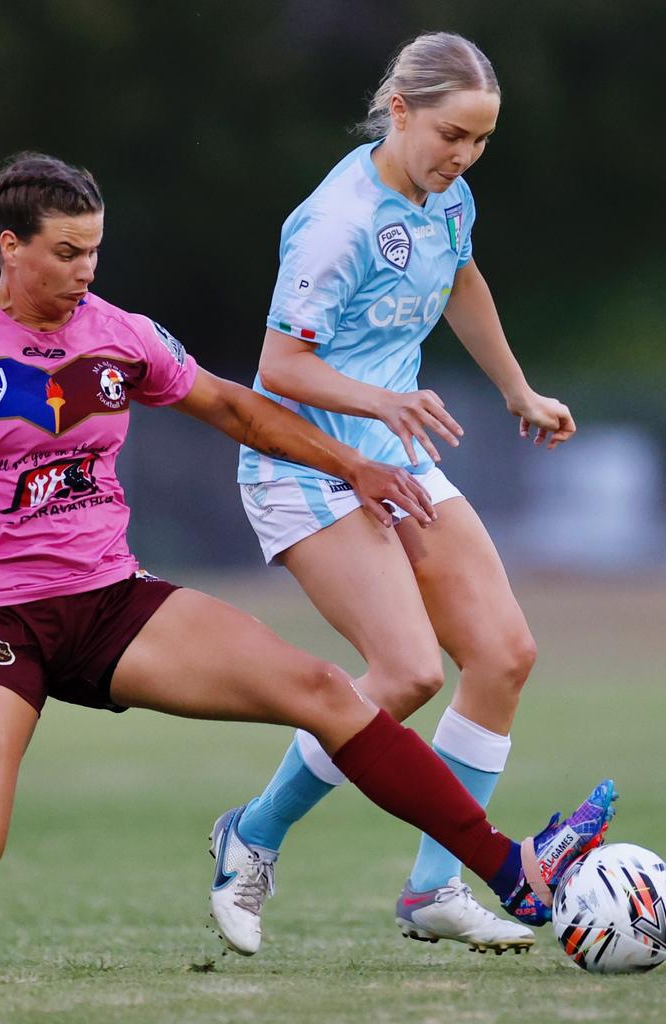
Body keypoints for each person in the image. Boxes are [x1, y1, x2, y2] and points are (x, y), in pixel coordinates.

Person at [0, 153, 612, 950]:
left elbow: (237, 409)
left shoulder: (120, 334)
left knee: (326, 689)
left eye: (95, 251)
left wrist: (354, 465)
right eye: (66, 254)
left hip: (109, 603)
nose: (85, 270)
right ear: (8, 247)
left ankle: (509, 869)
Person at [212, 31, 580, 955]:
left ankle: (432, 890)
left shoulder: (446, 195)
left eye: (482, 142)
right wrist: (383, 399)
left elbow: (461, 279)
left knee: (502, 652)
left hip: (395, 453)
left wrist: (516, 389)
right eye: (452, 134)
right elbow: (277, 366)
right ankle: (250, 836)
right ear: (401, 109)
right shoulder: (336, 222)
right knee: (410, 671)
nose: (463, 158)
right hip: (303, 464)